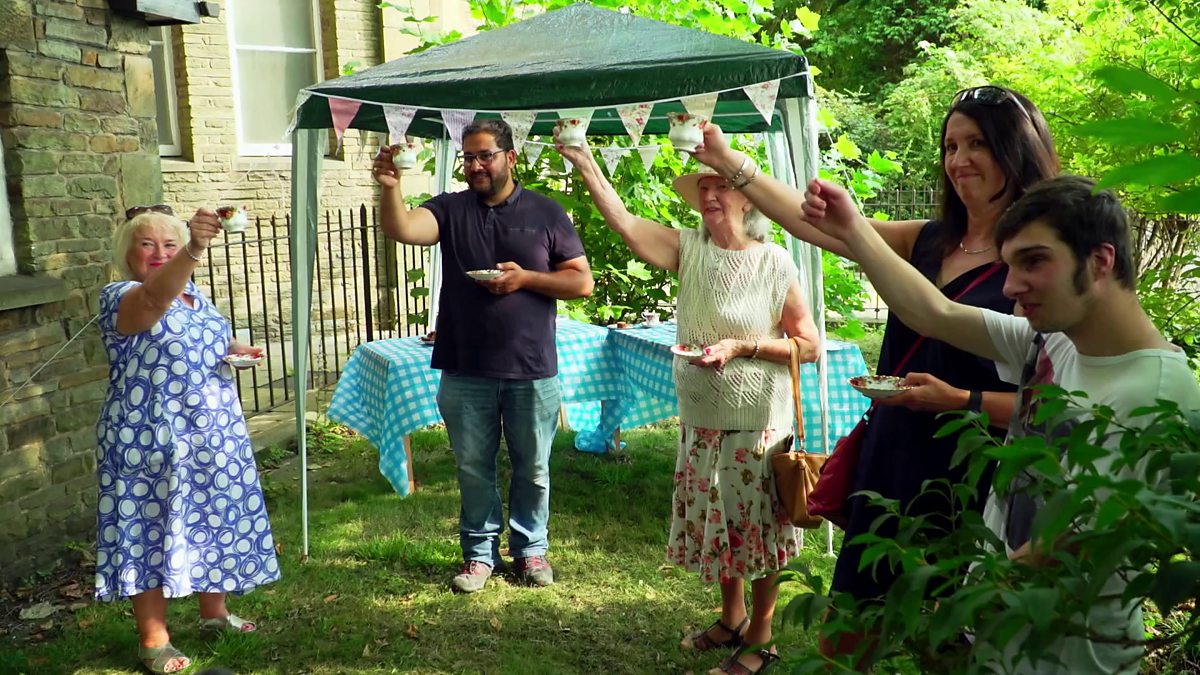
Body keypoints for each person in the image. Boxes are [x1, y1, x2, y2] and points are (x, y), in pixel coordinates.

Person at [800, 174, 1200, 673]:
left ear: (1100, 261)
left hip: (1069, 657)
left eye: (1033, 261)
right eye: (1009, 265)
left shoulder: (1158, 390)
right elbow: (935, 312)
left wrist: (959, 603)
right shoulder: (1056, 340)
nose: (1009, 285)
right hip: (1001, 639)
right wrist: (853, 228)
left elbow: (1075, 543)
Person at [693, 87, 1060, 614]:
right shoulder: (930, 240)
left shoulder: (1033, 262)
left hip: (974, 466)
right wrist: (729, 161)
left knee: (956, 627)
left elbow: (1050, 406)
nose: (959, 160)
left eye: (977, 143)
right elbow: (813, 223)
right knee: (854, 615)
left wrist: (959, 399)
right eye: (950, 146)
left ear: (1017, 149)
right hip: (895, 448)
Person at [556, 138, 821, 675]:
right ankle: (731, 618)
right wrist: (585, 163)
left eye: (720, 183)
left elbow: (808, 345)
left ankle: (762, 638)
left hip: (757, 423)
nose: (709, 192)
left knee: (760, 530)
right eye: (704, 186)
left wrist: (743, 347)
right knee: (720, 522)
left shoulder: (775, 262)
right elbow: (625, 223)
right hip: (701, 420)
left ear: (748, 199)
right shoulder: (688, 247)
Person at [371, 119, 594, 593]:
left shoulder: (544, 212)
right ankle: (478, 555)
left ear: (510, 158)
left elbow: (580, 281)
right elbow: (404, 228)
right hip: (465, 364)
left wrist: (526, 279)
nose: (475, 166)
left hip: (531, 367)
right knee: (473, 467)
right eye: (468, 158)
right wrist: (392, 188)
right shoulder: (451, 209)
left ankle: (531, 550)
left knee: (533, 467)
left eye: (484, 156)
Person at [96, 205, 279, 674]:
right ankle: (153, 640)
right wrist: (195, 248)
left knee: (211, 517)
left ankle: (214, 615)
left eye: (169, 245)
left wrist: (236, 349)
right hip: (149, 440)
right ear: (127, 252)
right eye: (147, 244)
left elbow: (205, 340)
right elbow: (154, 303)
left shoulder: (193, 293)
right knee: (147, 530)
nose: (159, 253)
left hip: (212, 435)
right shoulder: (121, 295)